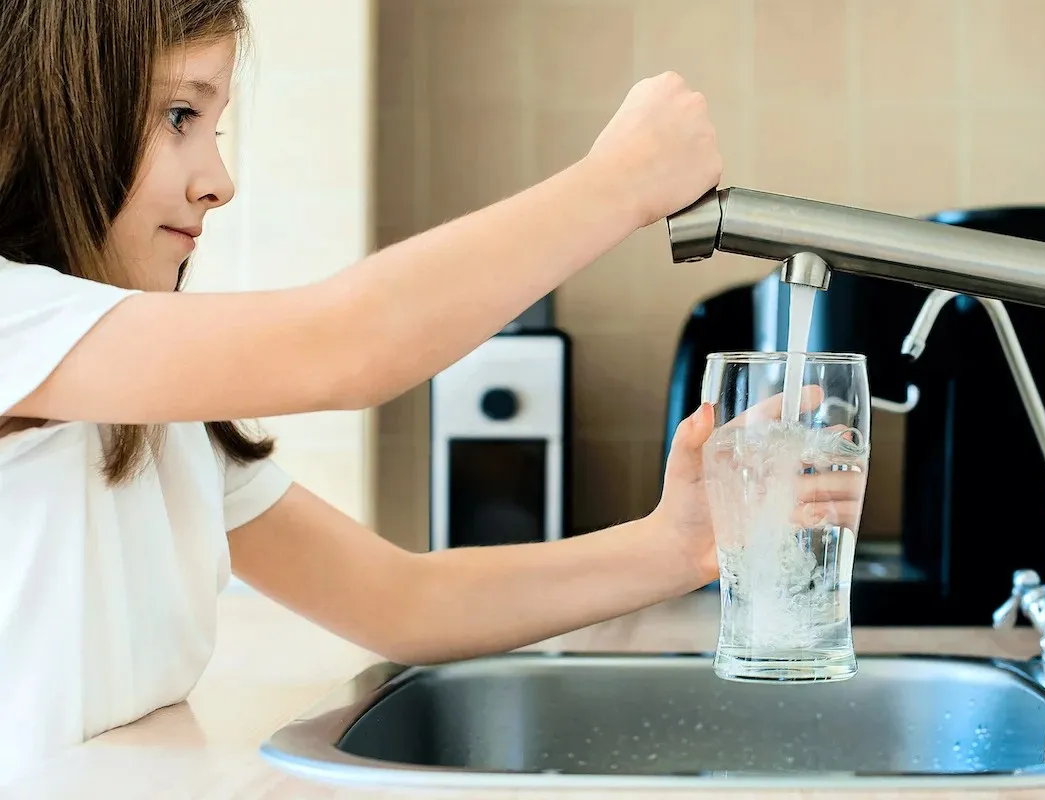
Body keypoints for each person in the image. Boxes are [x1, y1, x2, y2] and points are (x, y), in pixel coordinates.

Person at [0, 0, 728, 783]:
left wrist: (676, 547)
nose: (220, 181)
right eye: (180, 114)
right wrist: (616, 185)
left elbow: (400, 601)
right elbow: (346, 346)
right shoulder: (14, 320)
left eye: (214, 126)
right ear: (51, 113)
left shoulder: (158, 414)